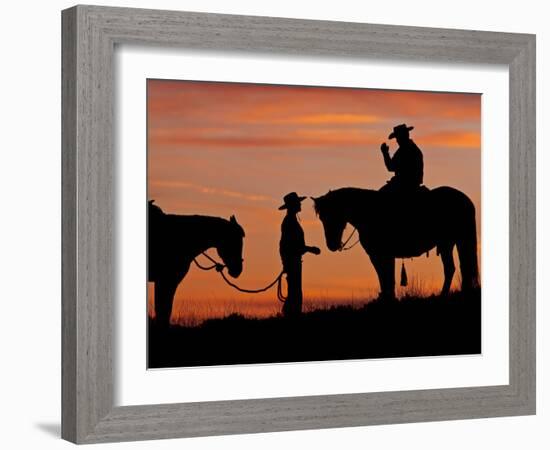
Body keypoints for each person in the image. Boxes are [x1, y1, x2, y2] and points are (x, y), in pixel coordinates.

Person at [278, 192, 321, 318]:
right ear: (293, 205)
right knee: (295, 292)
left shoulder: (290, 221)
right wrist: (310, 249)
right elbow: (290, 245)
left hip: (293, 260)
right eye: (298, 202)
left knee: (294, 291)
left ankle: (291, 315)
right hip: (293, 261)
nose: (300, 204)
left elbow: (285, 245)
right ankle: (292, 316)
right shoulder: (289, 222)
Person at [379, 124, 424, 194]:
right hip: (413, 184)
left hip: (402, 185)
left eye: (398, 137)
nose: (397, 140)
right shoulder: (414, 149)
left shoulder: (404, 151)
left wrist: (385, 153)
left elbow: (391, 167)